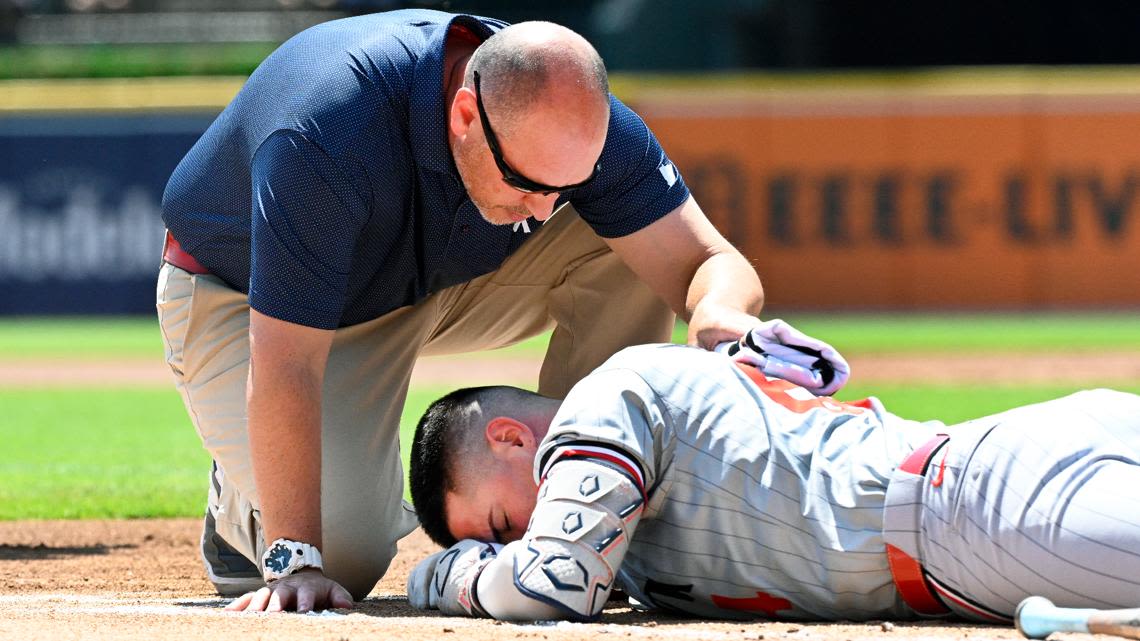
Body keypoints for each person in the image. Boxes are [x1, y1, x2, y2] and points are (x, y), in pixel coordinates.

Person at [155, 8, 764, 614]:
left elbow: (708, 258)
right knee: (338, 562)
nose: (544, 211)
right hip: (245, 299)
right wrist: (294, 553)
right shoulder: (326, 132)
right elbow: (285, 362)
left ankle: (591, 487)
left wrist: (719, 310)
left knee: (626, 250)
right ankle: (241, 509)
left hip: (426, 281)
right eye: (527, 182)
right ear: (466, 114)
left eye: (563, 189)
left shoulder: (571, 117)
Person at [406, 340, 1140, 623]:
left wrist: (446, 576)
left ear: (510, 438)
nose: (519, 541)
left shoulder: (599, 405)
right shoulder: (633, 533)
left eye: (502, 526)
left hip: (984, 517)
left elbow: (552, 583)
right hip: (999, 478)